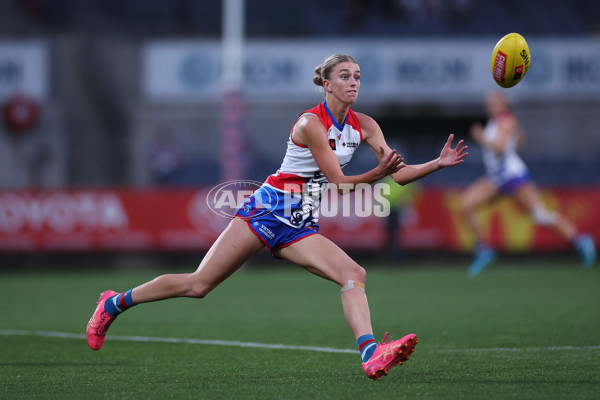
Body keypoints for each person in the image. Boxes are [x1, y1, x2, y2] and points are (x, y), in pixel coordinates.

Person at [86, 54, 468, 380]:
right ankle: (113, 303)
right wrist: (378, 173)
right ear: (326, 83)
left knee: (354, 274)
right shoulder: (310, 124)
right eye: (345, 76)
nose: (353, 83)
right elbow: (338, 182)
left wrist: (438, 162)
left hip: (300, 222)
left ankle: (370, 355)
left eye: (357, 77)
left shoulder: (365, 125)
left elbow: (398, 173)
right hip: (267, 210)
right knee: (198, 285)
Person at [460, 90, 596, 277]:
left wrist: (481, 137)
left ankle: (581, 240)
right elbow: (517, 141)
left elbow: (499, 148)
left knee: (540, 216)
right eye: (489, 102)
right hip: (496, 177)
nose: (490, 105)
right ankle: (484, 250)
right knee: (466, 205)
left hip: (512, 176)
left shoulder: (505, 120)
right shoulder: (498, 122)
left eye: (494, 102)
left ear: (504, 104)